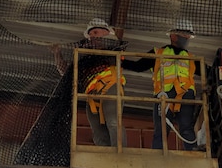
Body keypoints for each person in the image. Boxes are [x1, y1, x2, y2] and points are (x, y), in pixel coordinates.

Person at [122, 21, 204, 150]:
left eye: (188, 36)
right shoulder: (158, 53)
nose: (186, 38)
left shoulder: (192, 58)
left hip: (185, 95)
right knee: (161, 130)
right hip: (164, 94)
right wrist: (118, 60)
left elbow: (209, 71)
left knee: (186, 128)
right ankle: (158, 156)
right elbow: (138, 66)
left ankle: (192, 154)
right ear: (173, 36)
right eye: (184, 35)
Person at [51, 18, 128, 147]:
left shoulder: (114, 47)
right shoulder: (84, 55)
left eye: (96, 33)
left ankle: (120, 156)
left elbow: (110, 49)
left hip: (110, 87)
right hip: (92, 95)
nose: (92, 37)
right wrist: (57, 53)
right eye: (91, 34)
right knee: (98, 131)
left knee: (113, 122)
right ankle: (105, 160)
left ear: (106, 34)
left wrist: (106, 38)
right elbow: (66, 73)